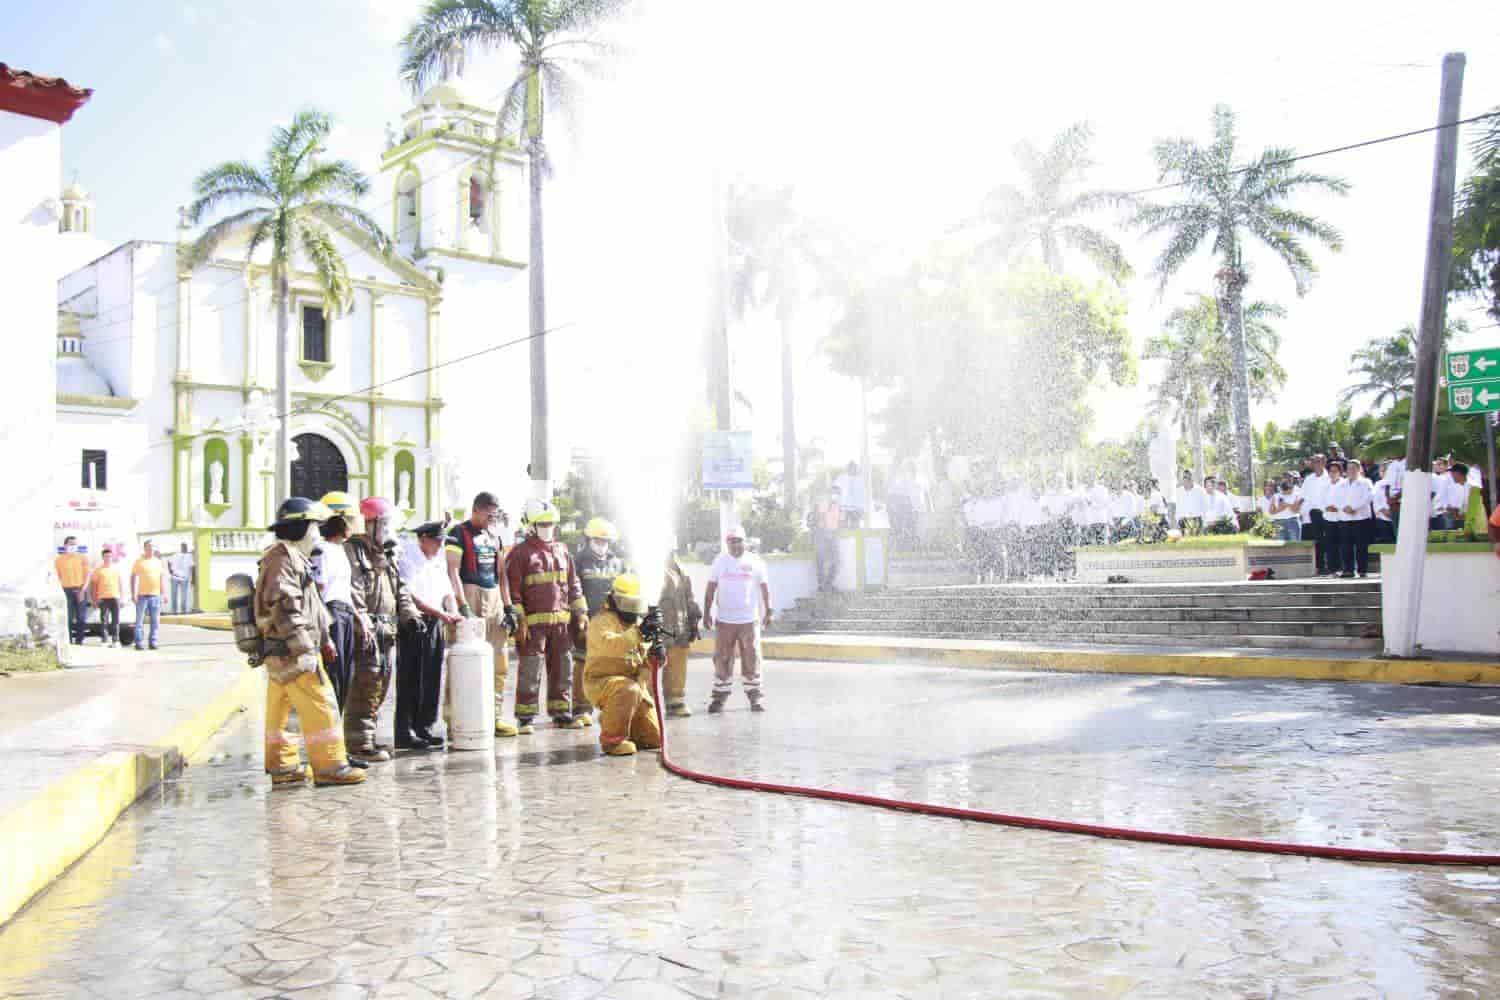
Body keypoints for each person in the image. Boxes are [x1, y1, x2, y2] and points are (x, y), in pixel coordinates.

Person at [255, 497, 364, 788]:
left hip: (282, 651)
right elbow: (286, 607)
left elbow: (313, 606)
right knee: (321, 705)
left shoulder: (290, 557)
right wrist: (304, 648)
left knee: (283, 711)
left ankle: (284, 766)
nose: (317, 533)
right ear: (301, 528)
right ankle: (330, 766)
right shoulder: (282, 560)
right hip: (292, 650)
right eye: (314, 527)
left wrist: (324, 638)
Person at [343, 496, 419, 764]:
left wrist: (409, 614)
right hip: (368, 631)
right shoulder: (353, 551)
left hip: (387, 632)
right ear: (369, 523)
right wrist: (362, 620)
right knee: (366, 684)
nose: (388, 529)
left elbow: (401, 588)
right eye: (384, 523)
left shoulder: (386, 553)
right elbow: (353, 592)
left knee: (381, 685)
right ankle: (359, 743)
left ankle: (368, 737)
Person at [506, 498, 588, 733]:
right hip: (533, 627)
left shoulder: (562, 551)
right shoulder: (520, 554)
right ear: (531, 526)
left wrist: (581, 612)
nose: (547, 528)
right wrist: (520, 620)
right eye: (542, 524)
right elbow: (514, 591)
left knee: (563, 668)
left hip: (561, 625)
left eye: (551, 524)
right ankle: (525, 717)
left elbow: (573, 584)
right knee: (530, 670)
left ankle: (561, 712)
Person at [446, 492, 521, 738]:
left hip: (494, 599)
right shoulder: (458, 533)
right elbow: (452, 571)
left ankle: (495, 715)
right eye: (489, 514)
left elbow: (502, 575)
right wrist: (462, 605)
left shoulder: (494, 536)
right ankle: (455, 719)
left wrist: (509, 607)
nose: (492, 519)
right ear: (476, 510)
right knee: (463, 661)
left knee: (499, 661)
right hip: (470, 595)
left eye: (495, 515)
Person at [396, 521, 462, 750]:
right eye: (436, 541)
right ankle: (405, 730)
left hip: (436, 620)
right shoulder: (409, 559)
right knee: (411, 677)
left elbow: (447, 592)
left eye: (442, 542)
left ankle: (425, 727)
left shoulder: (437, 560)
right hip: (415, 621)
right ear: (423, 538)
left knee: (432, 675)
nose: (439, 546)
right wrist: (442, 614)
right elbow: (411, 596)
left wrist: (452, 612)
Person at [582, 574, 663, 757]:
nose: (631, 610)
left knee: (653, 739)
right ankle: (612, 741)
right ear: (614, 600)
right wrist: (639, 633)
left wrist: (656, 656)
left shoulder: (638, 625)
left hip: (632, 688)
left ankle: (615, 717)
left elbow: (644, 666)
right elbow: (613, 647)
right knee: (628, 689)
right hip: (600, 682)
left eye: (635, 604)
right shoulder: (601, 622)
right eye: (627, 603)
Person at [703, 525, 772, 713]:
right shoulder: (720, 562)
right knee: (722, 658)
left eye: (739, 541)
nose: (735, 545)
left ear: (745, 542)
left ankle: (755, 697)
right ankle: (719, 698)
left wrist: (769, 610)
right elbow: (711, 588)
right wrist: (706, 611)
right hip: (725, 620)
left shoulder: (755, 561)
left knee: (751, 657)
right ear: (727, 543)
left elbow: (765, 588)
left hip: (749, 620)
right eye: (732, 541)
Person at [572, 517, 624, 727]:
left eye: (606, 541)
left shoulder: (617, 562)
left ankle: (609, 708)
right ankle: (581, 709)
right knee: (584, 664)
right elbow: (573, 590)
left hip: (611, 623)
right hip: (587, 622)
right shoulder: (578, 561)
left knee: (612, 664)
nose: (602, 545)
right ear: (589, 539)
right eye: (598, 541)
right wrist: (579, 615)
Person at [313, 494, 358, 710]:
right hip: (332, 613)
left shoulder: (341, 550)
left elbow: (346, 590)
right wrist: (323, 632)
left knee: (346, 673)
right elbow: (319, 590)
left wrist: (359, 618)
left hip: (346, 612)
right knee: (334, 672)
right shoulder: (321, 550)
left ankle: (337, 724)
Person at [658, 548, 702, 718]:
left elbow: (688, 595)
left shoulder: (680, 568)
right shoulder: (645, 563)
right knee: (649, 666)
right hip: (658, 626)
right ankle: (646, 705)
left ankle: (675, 701)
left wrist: (693, 617)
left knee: (677, 664)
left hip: (679, 625)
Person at [1339, 459, 1376, 578]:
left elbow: (1369, 497)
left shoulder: (1366, 482)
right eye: (1349, 468)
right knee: (1346, 545)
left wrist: (1355, 507)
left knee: (1361, 545)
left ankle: (1362, 570)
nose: (1351, 471)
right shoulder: (1342, 484)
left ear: (1359, 469)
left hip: (1361, 517)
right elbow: (1337, 498)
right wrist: (1343, 507)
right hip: (1345, 518)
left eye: (1353, 468)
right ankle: (1348, 570)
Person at [1301, 455, 1333, 574]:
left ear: (1324, 462)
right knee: (1318, 541)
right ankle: (1321, 566)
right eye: (1314, 462)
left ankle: (1333, 566)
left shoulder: (1329, 477)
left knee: (1329, 539)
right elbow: (1302, 496)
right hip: (1313, 513)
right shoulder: (1309, 479)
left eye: (1319, 461)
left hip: (1328, 512)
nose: (1316, 464)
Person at [55, 536, 89, 645]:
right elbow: (57, 577)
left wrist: (83, 589)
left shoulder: (82, 558)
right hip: (66, 591)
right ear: (65, 545)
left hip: (80, 589)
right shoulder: (59, 560)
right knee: (67, 617)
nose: (73, 546)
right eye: (70, 544)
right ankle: (68, 640)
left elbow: (88, 575)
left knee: (81, 617)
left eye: (74, 544)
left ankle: (80, 640)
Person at [131, 540, 164, 651]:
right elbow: (133, 577)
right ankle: (139, 642)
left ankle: (153, 642)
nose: (150, 549)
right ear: (144, 548)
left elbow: (161, 578)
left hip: (155, 595)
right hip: (142, 595)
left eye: (152, 547)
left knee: (155, 621)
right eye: (148, 547)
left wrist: (163, 594)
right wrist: (133, 593)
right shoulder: (139, 562)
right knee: (139, 620)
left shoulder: (158, 562)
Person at [86, 548, 123, 647]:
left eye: (110, 556)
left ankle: (116, 640)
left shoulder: (116, 569)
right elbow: (93, 586)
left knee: (116, 620)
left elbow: (120, 584)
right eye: (106, 556)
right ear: (103, 557)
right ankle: (105, 640)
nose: (108, 558)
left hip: (115, 597)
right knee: (104, 621)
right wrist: (94, 599)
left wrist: (122, 597)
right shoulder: (98, 570)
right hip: (103, 598)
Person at [810, 488, 842, 591]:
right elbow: (821, 517)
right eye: (834, 493)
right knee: (821, 560)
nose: (835, 495)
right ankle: (822, 586)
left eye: (837, 494)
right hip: (822, 534)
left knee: (836, 561)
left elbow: (838, 521)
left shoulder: (837, 506)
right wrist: (826, 531)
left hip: (833, 534)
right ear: (830, 494)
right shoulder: (824, 503)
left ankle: (828, 584)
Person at [1320, 460, 1348, 577]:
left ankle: (1345, 568)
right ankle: (1333, 569)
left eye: (1335, 471)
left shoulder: (1345, 484)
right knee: (1331, 545)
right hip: (1328, 518)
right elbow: (1320, 500)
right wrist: (1326, 507)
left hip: (1342, 518)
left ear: (1340, 472)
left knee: (1344, 544)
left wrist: (1338, 508)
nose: (1333, 474)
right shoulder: (1325, 485)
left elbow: (1348, 499)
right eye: (1330, 471)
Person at [834, 462, 866, 528]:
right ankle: (843, 537)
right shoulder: (841, 478)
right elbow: (835, 489)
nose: (852, 469)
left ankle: (853, 537)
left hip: (856, 508)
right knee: (842, 525)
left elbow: (862, 495)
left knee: (855, 526)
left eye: (854, 468)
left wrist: (863, 509)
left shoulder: (860, 480)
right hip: (843, 507)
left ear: (856, 469)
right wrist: (836, 503)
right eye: (850, 467)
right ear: (847, 468)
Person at [1271, 475, 1303, 541]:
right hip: (1278, 522)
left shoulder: (1296, 495)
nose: (1286, 493)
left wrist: (1286, 505)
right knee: (1280, 548)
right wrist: (1280, 509)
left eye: (1289, 490)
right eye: (1285, 491)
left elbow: (1296, 510)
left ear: (1292, 488)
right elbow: (1271, 511)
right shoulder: (1276, 496)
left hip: (1292, 521)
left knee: (1294, 545)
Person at [166, 542, 194, 615]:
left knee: (183, 596)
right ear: (181, 547)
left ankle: (183, 611)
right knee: (174, 595)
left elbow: (192, 567)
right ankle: (174, 611)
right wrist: (170, 571)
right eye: (183, 546)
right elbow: (168, 561)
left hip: (184, 578)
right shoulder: (175, 554)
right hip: (174, 577)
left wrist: (193, 579)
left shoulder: (189, 556)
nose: (185, 548)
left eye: (186, 546)